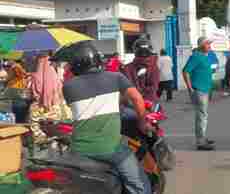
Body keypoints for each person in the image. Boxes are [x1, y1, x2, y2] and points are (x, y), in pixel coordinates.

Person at [52, 40, 151, 194]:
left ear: (77, 65)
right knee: (139, 185)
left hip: (78, 149)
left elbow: (86, 102)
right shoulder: (116, 78)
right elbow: (137, 99)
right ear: (97, 60)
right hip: (109, 149)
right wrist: (143, 122)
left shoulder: (68, 86)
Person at [182, 36, 217, 151]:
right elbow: (185, 71)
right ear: (201, 45)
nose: (209, 46)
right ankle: (200, 141)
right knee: (201, 116)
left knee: (203, 115)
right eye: (207, 44)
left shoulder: (204, 56)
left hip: (206, 89)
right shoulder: (196, 56)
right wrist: (190, 88)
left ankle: (202, 137)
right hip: (199, 90)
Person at [28, 54, 67, 143]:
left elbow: (31, 94)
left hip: (38, 110)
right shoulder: (56, 78)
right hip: (56, 109)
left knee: (38, 134)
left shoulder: (34, 77)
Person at [124, 37, 160, 104]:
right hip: (150, 103)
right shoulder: (154, 67)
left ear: (135, 50)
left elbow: (125, 89)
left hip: (133, 103)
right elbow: (154, 88)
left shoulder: (127, 68)